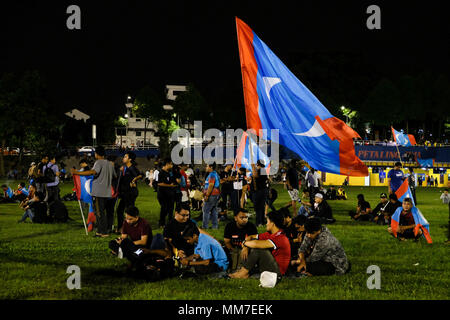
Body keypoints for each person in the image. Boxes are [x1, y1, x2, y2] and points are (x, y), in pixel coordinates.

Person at [229, 210, 291, 279]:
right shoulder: (270, 234)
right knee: (252, 244)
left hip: (277, 272)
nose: (266, 224)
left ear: (273, 223)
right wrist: (245, 247)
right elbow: (251, 237)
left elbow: (256, 244)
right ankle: (242, 270)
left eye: (267, 222)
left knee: (259, 249)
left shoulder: (281, 237)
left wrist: (244, 243)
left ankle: (243, 273)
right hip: (271, 265)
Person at [71, 146, 116, 238]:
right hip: (107, 192)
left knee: (99, 213)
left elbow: (93, 172)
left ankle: (103, 232)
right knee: (103, 212)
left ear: (97, 154)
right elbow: (114, 176)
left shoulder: (98, 162)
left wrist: (77, 173)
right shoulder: (110, 164)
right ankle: (102, 230)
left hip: (98, 192)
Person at [116, 151, 142, 231]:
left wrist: (134, 180)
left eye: (125, 157)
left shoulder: (132, 168)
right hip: (124, 193)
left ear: (130, 159)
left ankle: (130, 227)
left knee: (129, 211)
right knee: (120, 210)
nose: (123, 158)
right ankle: (121, 227)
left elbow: (140, 175)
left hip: (130, 193)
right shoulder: (125, 168)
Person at [157, 159, 177, 228]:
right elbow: (160, 183)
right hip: (162, 195)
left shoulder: (168, 173)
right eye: (170, 164)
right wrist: (170, 185)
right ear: (167, 164)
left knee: (171, 209)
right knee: (164, 209)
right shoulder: (161, 173)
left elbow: (171, 181)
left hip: (169, 195)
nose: (171, 166)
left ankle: (170, 223)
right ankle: (161, 223)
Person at [202, 163, 221, 229]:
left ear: (211, 167)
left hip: (212, 195)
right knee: (214, 210)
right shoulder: (216, 174)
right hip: (216, 195)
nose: (206, 168)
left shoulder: (212, 174)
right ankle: (215, 226)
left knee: (206, 210)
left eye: (207, 166)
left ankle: (205, 227)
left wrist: (207, 195)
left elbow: (211, 185)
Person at [252, 160, 269, 227]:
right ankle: (262, 221)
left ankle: (259, 222)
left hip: (259, 191)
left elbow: (255, 175)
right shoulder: (263, 170)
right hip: (263, 190)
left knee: (258, 207)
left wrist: (253, 167)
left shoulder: (261, 170)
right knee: (261, 206)